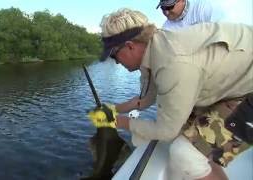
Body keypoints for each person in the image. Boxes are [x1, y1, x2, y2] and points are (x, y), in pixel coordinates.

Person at [89, 8, 252, 180]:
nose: (115, 62)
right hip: (234, 85)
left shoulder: (173, 63)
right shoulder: (154, 50)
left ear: (130, 46)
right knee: (185, 139)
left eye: (114, 56)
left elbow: (166, 131)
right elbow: (145, 100)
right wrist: (112, 109)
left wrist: (116, 121)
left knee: (186, 155)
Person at [157, 0, 224, 30]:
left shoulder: (204, 8)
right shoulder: (166, 28)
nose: (166, 12)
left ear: (182, 0)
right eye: (163, 8)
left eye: (169, 7)